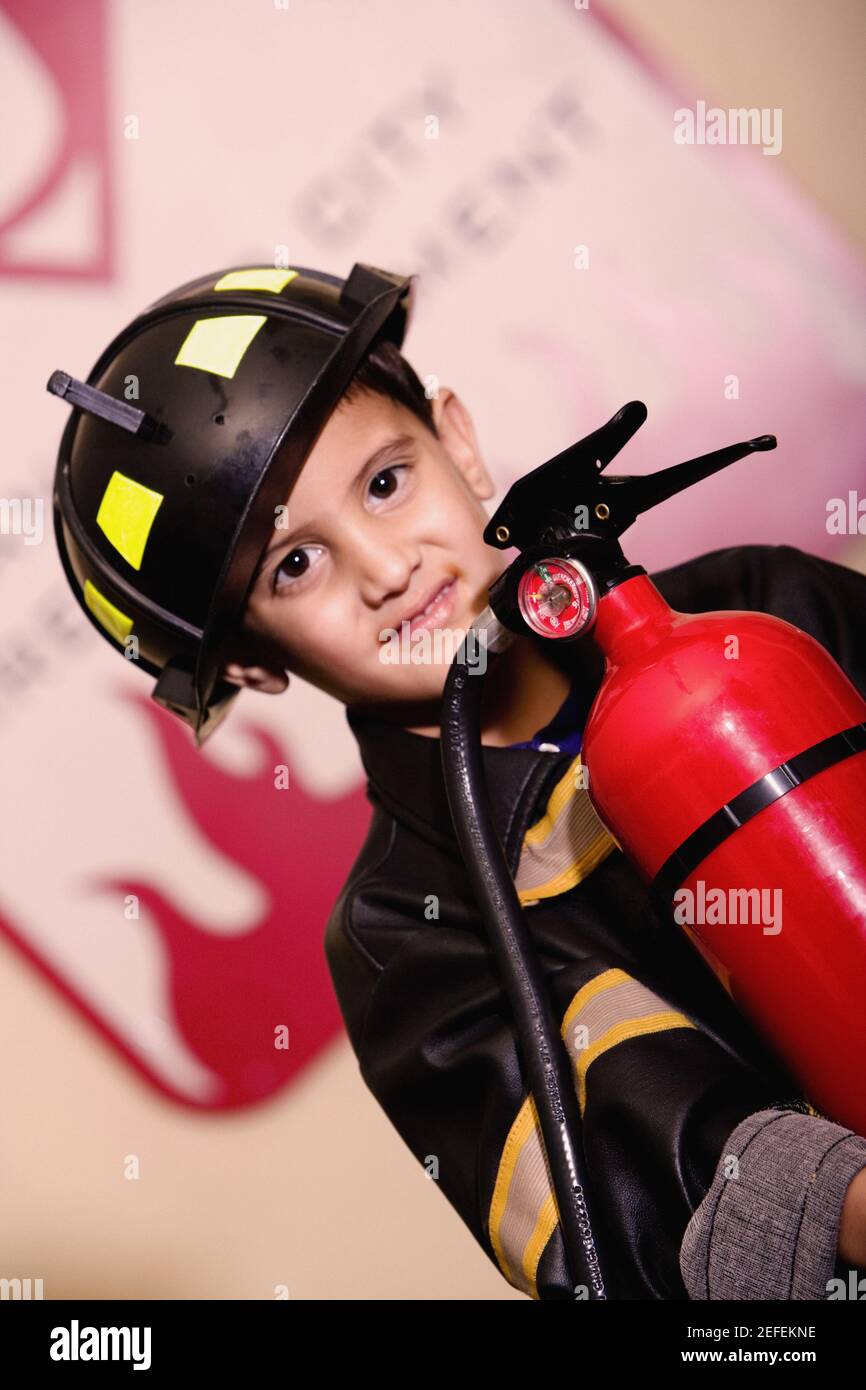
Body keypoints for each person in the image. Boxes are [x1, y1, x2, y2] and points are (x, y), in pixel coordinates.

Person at [51, 262, 866, 1300]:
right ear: (250, 662)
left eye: (386, 483)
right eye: (292, 566)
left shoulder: (766, 607)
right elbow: (605, 1239)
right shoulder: (404, 936)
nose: (386, 567)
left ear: (458, 441)